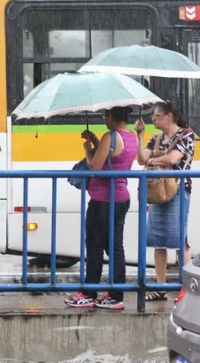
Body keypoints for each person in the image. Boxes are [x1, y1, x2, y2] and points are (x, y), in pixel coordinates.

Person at [65, 106, 137, 310]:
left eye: (106, 115)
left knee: (95, 247)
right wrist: (97, 142)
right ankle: (116, 296)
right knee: (115, 247)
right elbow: (114, 158)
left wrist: (88, 150)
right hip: (121, 198)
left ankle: (88, 293)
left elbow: (95, 166)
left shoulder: (110, 136)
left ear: (112, 116)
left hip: (102, 199)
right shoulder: (131, 136)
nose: (105, 119)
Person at [134, 101, 194, 302]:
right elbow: (141, 158)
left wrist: (151, 161)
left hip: (178, 191)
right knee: (157, 240)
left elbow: (172, 159)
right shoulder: (155, 138)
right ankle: (160, 288)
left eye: (157, 115)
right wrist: (140, 136)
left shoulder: (186, 135)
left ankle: (185, 289)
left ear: (169, 116)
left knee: (179, 240)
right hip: (158, 191)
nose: (154, 119)